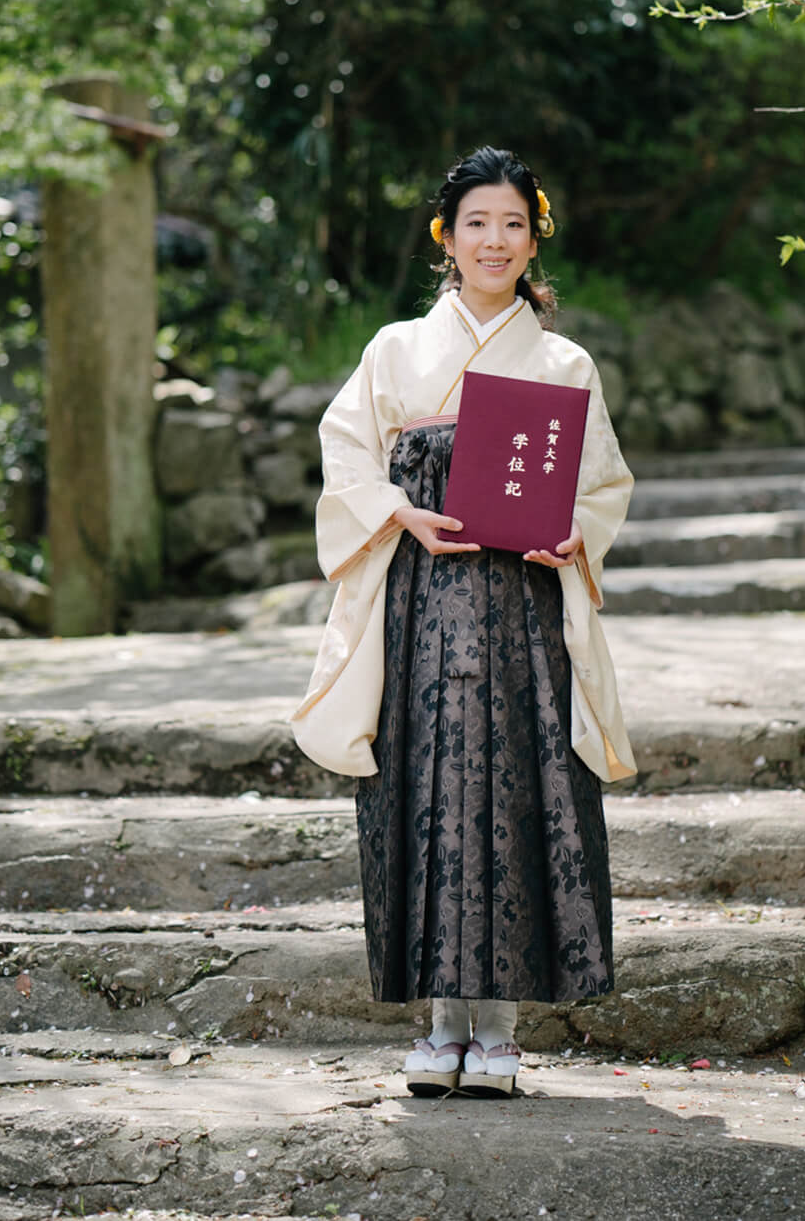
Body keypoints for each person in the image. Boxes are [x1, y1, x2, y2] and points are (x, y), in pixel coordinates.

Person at [291, 145, 635, 1097]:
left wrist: (574, 535)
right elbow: (346, 454)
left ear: (536, 238)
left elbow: (603, 484)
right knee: (430, 790)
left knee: (521, 790)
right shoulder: (395, 349)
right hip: (422, 608)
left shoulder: (565, 361)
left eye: (514, 224)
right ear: (446, 237)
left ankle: (502, 1034)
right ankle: (441, 1026)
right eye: (477, 222)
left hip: (524, 608)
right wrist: (397, 511)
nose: (496, 240)